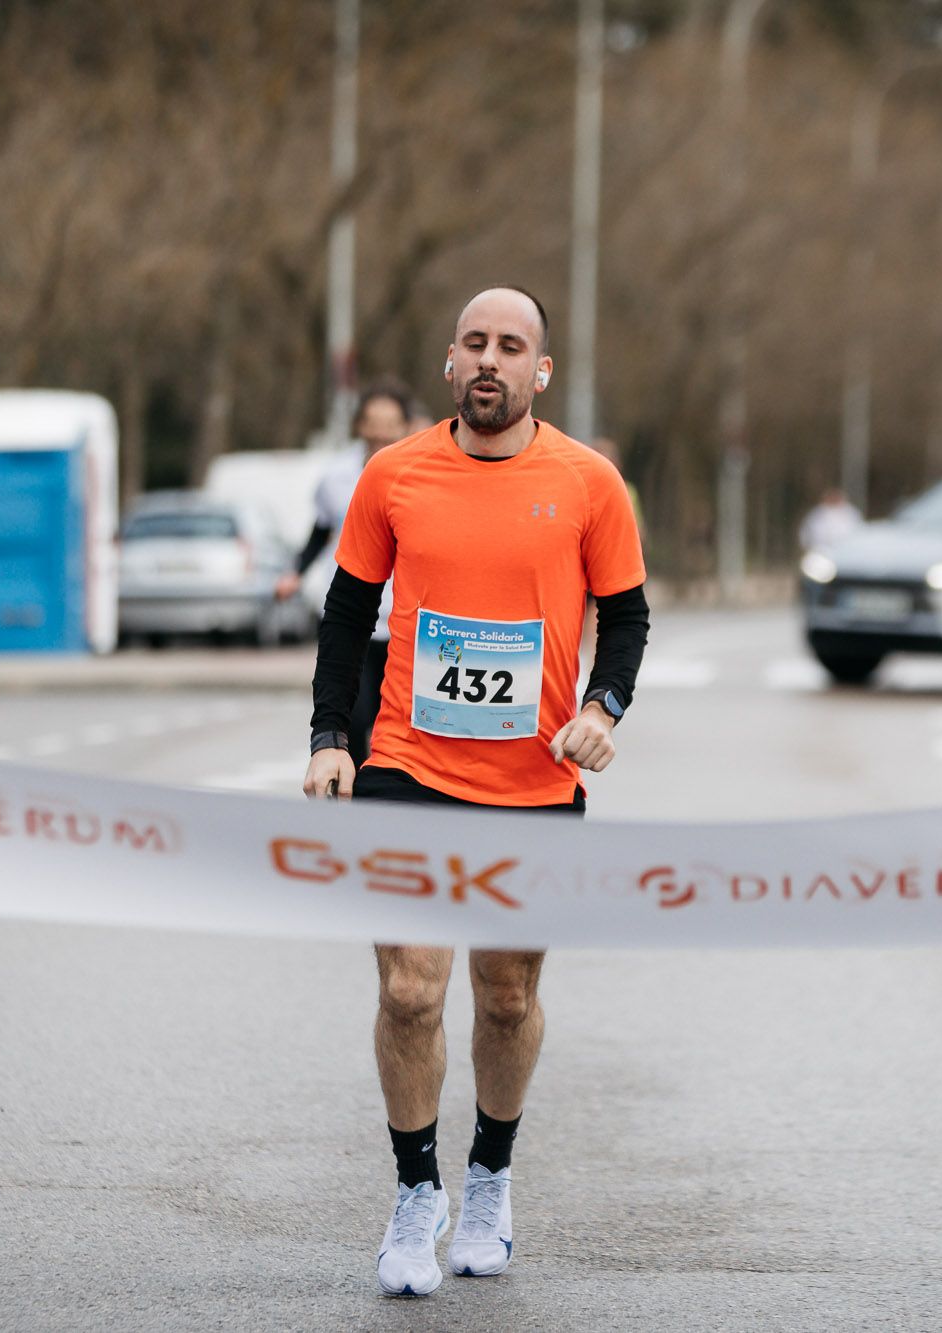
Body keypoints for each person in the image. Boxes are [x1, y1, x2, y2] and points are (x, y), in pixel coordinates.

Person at [303, 286, 649, 1298]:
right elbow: (344, 612)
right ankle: (416, 1194)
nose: (490, 358)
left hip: (532, 780)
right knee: (410, 990)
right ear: (450, 362)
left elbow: (625, 621)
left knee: (505, 995)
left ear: (541, 372)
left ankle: (489, 1174)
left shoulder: (588, 483)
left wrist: (603, 709)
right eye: (474, 342)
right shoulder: (393, 473)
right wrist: (331, 738)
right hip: (407, 765)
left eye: (512, 345)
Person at [274, 384, 413, 764]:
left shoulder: (421, 474)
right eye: (373, 421)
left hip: (408, 624)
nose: (381, 431)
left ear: (406, 426)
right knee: (355, 720)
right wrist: (296, 573)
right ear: (359, 426)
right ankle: (358, 804)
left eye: (391, 423)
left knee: (402, 725)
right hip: (356, 618)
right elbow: (320, 531)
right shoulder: (335, 477)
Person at [799, 485, 862, 553]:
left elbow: (859, 531)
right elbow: (806, 531)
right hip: (820, 551)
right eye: (831, 497)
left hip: (847, 551)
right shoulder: (816, 514)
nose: (833, 499)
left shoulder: (851, 513)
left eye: (835, 497)